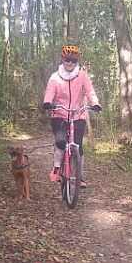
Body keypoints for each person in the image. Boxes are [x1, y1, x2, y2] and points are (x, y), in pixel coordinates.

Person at [42, 44, 102, 187]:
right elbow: (49, 93)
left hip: (78, 114)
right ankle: (57, 168)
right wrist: (47, 102)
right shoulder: (55, 77)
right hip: (59, 114)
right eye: (67, 60)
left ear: (77, 61)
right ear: (62, 60)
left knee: (78, 146)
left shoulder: (82, 75)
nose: (70, 63)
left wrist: (95, 103)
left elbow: (90, 91)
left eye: (73, 60)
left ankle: (79, 176)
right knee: (61, 142)